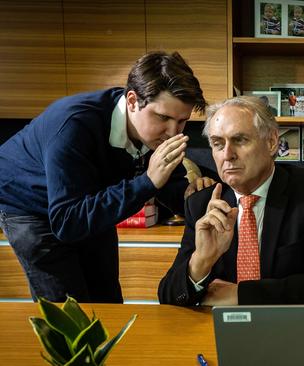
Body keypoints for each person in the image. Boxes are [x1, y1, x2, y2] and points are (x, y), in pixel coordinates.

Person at [0, 51, 209, 303]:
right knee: (69, 311)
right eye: (163, 117)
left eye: (182, 121)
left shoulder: (151, 132)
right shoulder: (74, 125)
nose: (172, 132)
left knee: (107, 298)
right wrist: (147, 182)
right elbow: (68, 223)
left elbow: (164, 183)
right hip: (29, 205)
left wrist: (189, 197)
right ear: (132, 101)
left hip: (83, 198)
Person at [158, 96, 304, 305]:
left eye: (239, 140)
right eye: (217, 144)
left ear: (271, 142)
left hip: (286, 326)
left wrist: (241, 294)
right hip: (219, 329)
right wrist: (201, 261)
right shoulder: (201, 204)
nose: (227, 155)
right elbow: (169, 297)